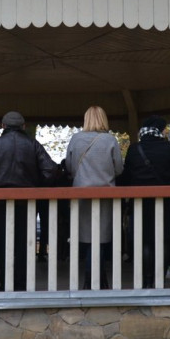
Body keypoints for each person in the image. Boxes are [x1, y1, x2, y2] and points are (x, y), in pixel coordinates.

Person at [0, 111, 57, 291]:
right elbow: (50, 170)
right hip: (27, 203)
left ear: (3, 126)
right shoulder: (33, 145)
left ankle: (5, 283)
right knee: (24, 243)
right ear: (23, 126)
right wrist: (37, 185)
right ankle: (21, 283)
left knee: (2, 243)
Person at [120, 115, 170, 288]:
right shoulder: (168, 148)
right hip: (166, 203)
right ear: (159, 130)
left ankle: (146, 281)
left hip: (140, 203)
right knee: (163, 240)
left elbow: (126, 177)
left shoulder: (135, 149)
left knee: (145, 241)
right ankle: (159, 281)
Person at [64, 106, 124, 290]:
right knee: (100, 239)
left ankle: (90, 279)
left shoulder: (76, 139)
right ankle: (97, 279)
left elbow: (70, 167)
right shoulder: (110, 140)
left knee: (87, 238)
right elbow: (119, 169)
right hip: (105, 195)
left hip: (81, 196)